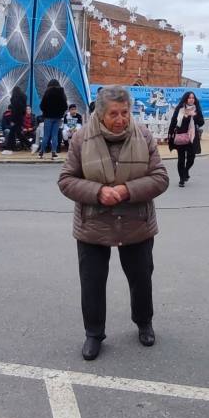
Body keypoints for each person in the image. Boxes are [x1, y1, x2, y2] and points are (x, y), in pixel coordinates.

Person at [57, 85, 169, 361]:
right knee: (92, 282)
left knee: (141, 278)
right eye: (114, 114)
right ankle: (94, 333)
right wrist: (98, 192)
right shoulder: (82, 138)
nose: (121, 120)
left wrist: (126, 190)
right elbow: (66, 180)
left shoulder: (143, 135)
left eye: (125, 113)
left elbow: (160, 177)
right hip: (94, 222)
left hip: (136, 222)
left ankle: (144, 322)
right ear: (100, 114)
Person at [167, 91, 205, 187]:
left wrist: (194, 116)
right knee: (181, 158)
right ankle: (181, 179)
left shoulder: (196, 109)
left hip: (192, 138)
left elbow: (201, 123)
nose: (191, 99)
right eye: (189, 98)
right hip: (181, 136)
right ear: (186, 99)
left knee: (191, 157)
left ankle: (186, 170)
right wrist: (170, 135)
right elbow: (173, 122)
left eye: (193, 98)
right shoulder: (180, 109)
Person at [39, 78, 68, 160]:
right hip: (58, 117)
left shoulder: (47, 93)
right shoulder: (62, 93)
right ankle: (54, 152)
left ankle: (41, 152)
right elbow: (65, 106)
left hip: (48, 117)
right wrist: (60, 113)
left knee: (46, 135)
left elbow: (41, 106)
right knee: (54, 135)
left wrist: (45, 112)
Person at [2, 86, 27, 155]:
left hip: (15, 119)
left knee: (12, 133)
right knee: (18, 134)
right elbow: (23, 110)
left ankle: (8, 149)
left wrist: (12, 120)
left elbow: (14, 111)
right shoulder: (24, 98)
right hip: (20, 118)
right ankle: (30, 145)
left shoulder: (14, 99)